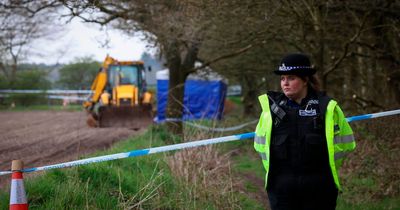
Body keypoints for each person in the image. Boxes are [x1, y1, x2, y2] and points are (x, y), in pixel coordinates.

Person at [253, 53, 356, 210]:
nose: (285, 83)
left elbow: (344, 144)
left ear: (305, 80)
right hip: (282, 189)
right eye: (282, 79)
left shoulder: (327, 108)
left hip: (319, 188)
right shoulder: (270, 110)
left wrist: (323, 173)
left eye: (291, 78)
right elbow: (260, 146)